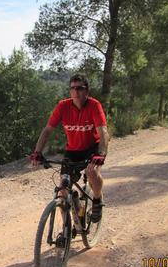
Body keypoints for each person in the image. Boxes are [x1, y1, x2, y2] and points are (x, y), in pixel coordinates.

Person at [30, 74, 109, 223]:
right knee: (62, 191)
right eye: (72, 88)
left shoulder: (94, 105)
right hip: (72, 151)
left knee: (91, 172)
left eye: (80, 88)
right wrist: (37, 152)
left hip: (92, 149)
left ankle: (97, 199)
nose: (76, 92)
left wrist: (101, 154)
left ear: (87, 91)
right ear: (69, 91)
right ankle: (67, 229)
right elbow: (47, 130)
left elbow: (103, 132)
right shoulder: (63, 106)